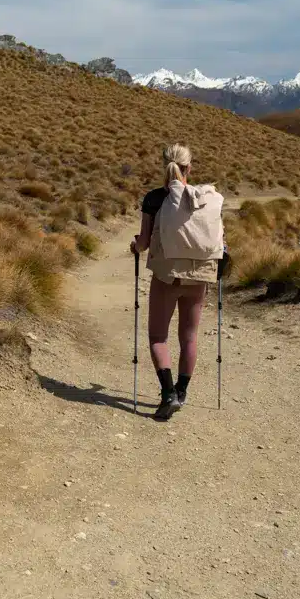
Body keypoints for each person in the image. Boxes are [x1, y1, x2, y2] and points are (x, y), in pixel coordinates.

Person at [130, 144, 225, 420]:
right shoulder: (206, 198)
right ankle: (181, 393)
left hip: (167, 276)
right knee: (190, 336)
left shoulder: (155, 199)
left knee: (158, 337)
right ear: (189, 168)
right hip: (199, 276)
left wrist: (136, 246)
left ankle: (168, 393)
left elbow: (144, 243)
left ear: (165, 166)